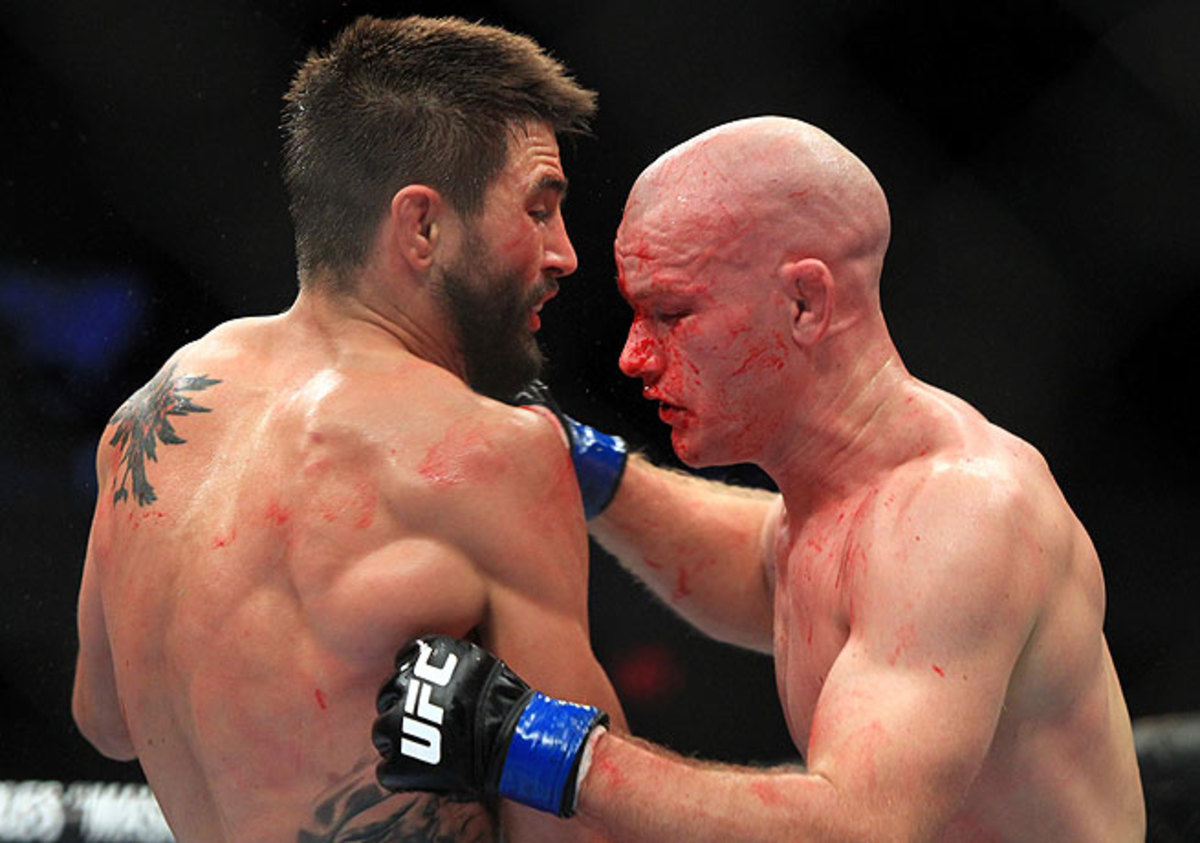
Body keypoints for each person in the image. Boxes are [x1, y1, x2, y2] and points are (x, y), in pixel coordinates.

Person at [373, 116, 1147, 841]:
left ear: (804, 302)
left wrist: (536, 744)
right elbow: (764, 571)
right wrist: (580, 460)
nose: (634, 357)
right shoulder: (846, 501)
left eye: (672, 313)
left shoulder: (960, 512)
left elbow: (860, 824)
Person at [71, 14, 626, 843]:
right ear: (423, 226)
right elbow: (582, 825)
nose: (565, 253)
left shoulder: (154, 412)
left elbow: (106, 716)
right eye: (539, 209)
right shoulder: (490, 452)